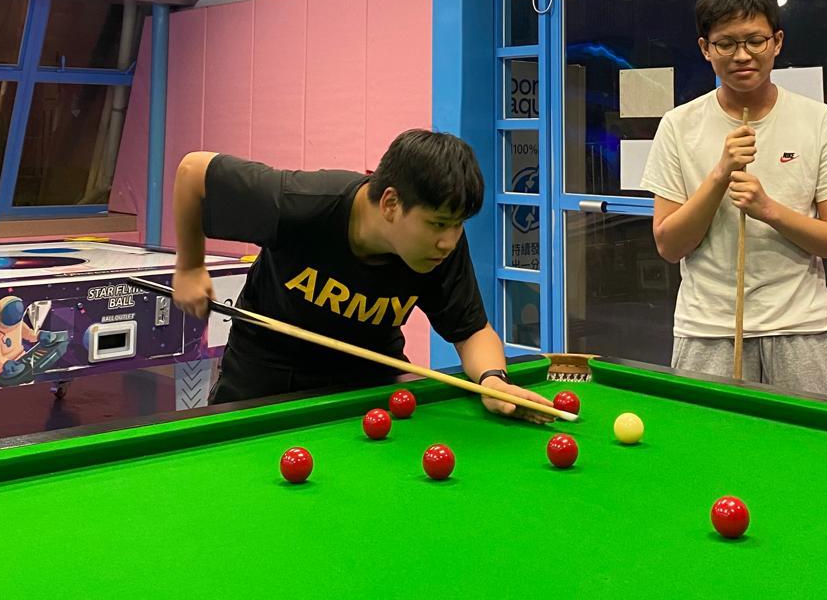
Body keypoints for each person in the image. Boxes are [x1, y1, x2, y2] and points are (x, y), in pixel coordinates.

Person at [171, 128, 553, 418]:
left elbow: (470, 331)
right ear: (390, 203)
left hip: (369, 377)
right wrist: (189, 266)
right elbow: (193, 172)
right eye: (438, 224)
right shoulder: (300, 205)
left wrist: (493, 380)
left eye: (458, 225)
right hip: (267, 370)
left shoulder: (442, 247)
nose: (449, 241)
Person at [641, 0, 827, 397]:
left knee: (808, 440)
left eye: (755, 41)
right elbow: (669, 245)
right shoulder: (678, 126)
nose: (742, 55)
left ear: (776, 42)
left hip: (801, 328)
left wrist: (769, 210)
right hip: (707, 330)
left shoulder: (818, 121)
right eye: (726, 43)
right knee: (707, 441)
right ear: (705, 48)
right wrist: (719, 174)